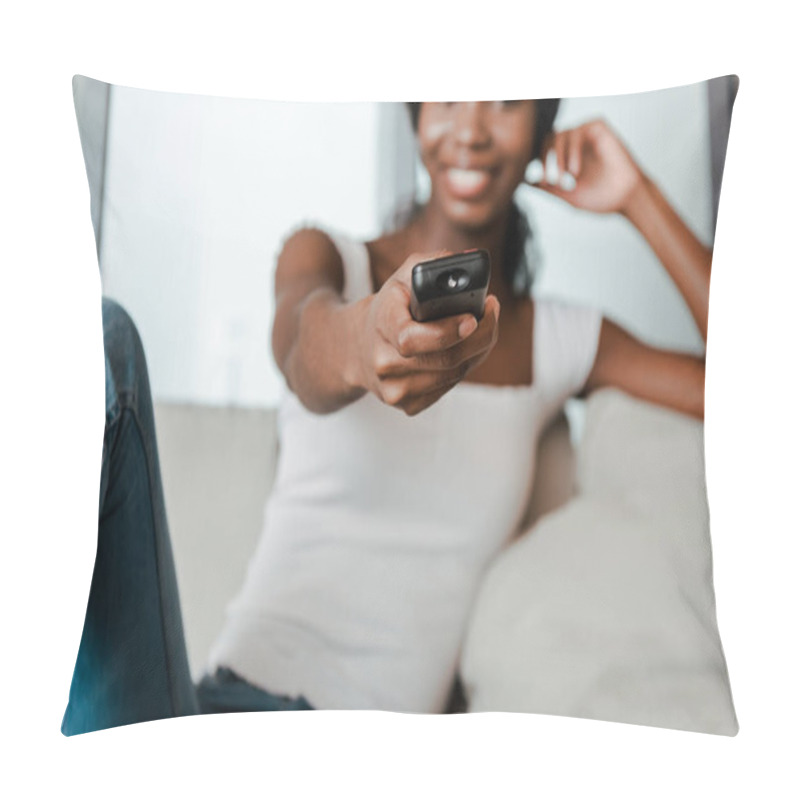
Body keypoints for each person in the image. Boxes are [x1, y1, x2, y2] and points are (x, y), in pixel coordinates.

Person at [62, 100, 711, 734]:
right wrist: (365, 342)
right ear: (416, 114)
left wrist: (638, 198)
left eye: (507, 102)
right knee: (104, 343)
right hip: (221, 712)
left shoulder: (561, 339)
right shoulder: (328, 258)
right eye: (448, 97)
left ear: (541, 126)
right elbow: (301, 348)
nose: (472, 129)